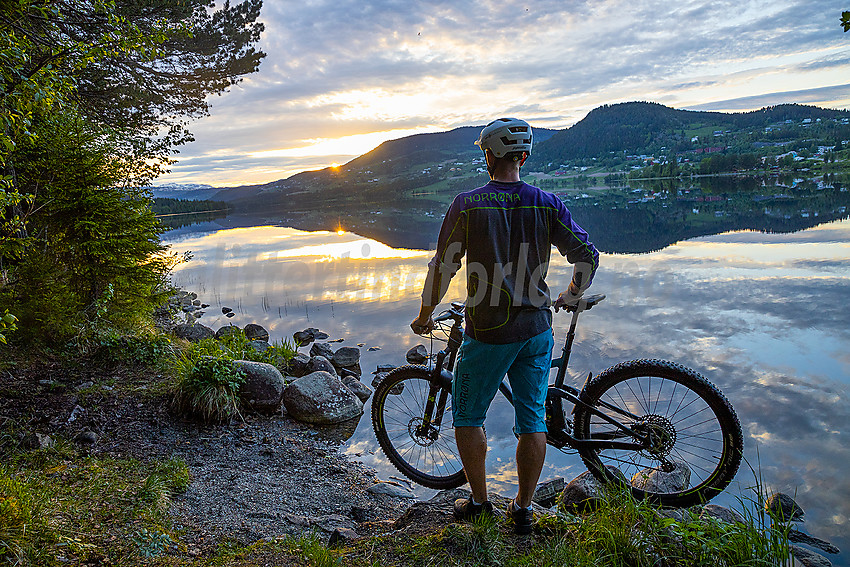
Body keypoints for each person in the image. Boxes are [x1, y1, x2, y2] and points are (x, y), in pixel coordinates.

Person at [410, 117, 599, 534]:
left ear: (488, 156)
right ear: (524, 157)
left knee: (468, 415)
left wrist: (425, 315)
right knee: (532, 418)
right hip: (536, 329)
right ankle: (524, 508)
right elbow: (587, 255)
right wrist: (569, 295)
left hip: (489, 331)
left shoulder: (467, 204)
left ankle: (479, 502)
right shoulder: (547, 203)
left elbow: (442, 267)